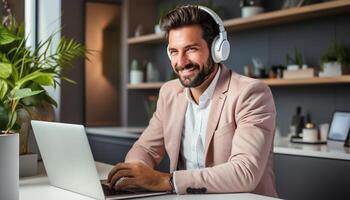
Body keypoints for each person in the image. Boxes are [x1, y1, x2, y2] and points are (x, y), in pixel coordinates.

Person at [108, 5, 277, 197]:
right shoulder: (169, 93)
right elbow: (145, 148)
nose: (181, 62)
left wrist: (164, 181)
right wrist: (136, 170)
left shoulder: (251, 93)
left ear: (217, 49)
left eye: (191, 49)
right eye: (174, 51)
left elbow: (245, 172)